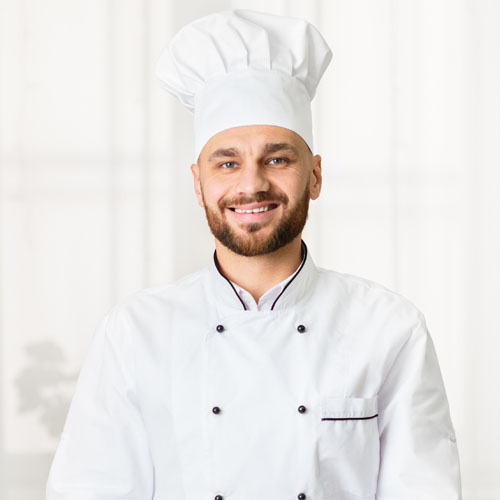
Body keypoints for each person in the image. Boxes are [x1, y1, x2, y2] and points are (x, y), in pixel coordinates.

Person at [46, 9, 462, 500]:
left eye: (277, 158)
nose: (252, 184)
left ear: (315, 176)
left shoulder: (390, 328)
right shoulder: (134, 333)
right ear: (198, 183)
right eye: (227, 163)